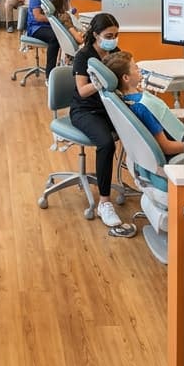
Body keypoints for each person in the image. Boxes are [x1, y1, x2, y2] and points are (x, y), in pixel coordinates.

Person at [68, 12, 124, 228]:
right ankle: (104, 202)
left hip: (109, 107)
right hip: (85, 111)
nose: (113, 39)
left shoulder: (115, 53)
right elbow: (82, 91)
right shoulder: (84, 56)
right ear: (96, 34)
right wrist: (101, 82)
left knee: (139, 129)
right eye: (109, 35)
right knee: (106, 143)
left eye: (116, 35)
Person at [103, 50, 184, 159]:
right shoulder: (142, 106)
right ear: (126, 78)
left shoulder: (127, 99)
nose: (139, 70)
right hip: (179, 148)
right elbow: (166, 147)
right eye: (135, 68)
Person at [26, 0, 63, 78]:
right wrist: (55, 19)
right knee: (55, 38)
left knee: (66, 34)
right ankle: (50, 75)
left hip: (48, 25)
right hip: (36, 27)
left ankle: (62, 68)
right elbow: (38, 17)